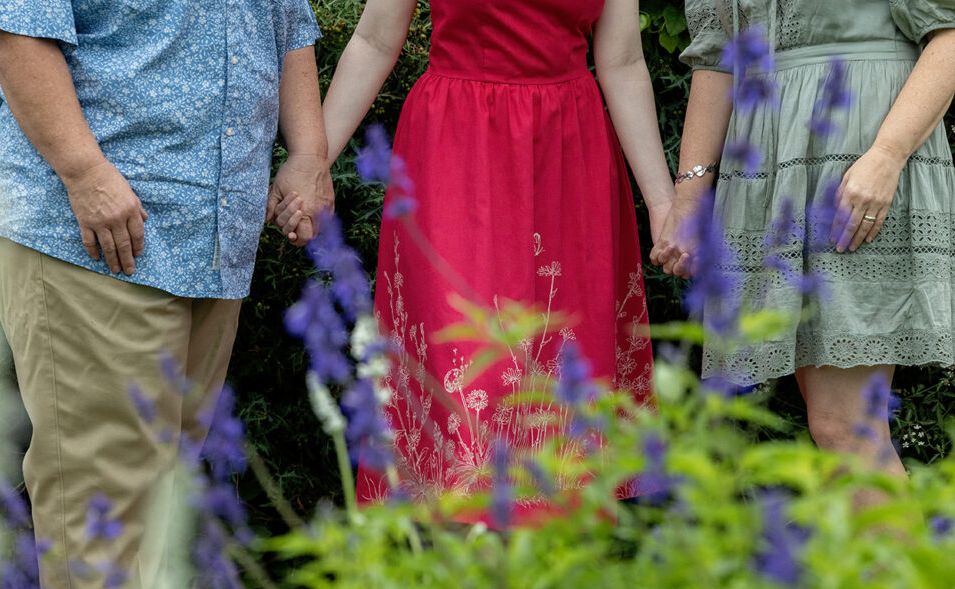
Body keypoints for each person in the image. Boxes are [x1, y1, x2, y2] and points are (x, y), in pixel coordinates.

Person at [0, 1, 331, 589]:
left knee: (166, 498)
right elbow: (11, 23)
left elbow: (288, 23)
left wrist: (308, 150)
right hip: (88, 230)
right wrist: (86, 173)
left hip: (211, 239)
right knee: (102, 497)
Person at [305, 0, 675, 522]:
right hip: (456, 156)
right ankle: (471, 584)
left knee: (561, 388)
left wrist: (662, 203)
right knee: (468, 375)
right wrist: (311, 165)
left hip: (567, 163)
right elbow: (375, 40)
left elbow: (623, 62)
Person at [652, 0, 955, 506]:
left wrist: (886, 155)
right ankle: (884, 583)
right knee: (838, 427)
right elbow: (718, 57)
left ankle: (913, 585)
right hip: (771, 170)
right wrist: (688, 198)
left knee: (845, 428)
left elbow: (948, 34)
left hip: (855, 164)